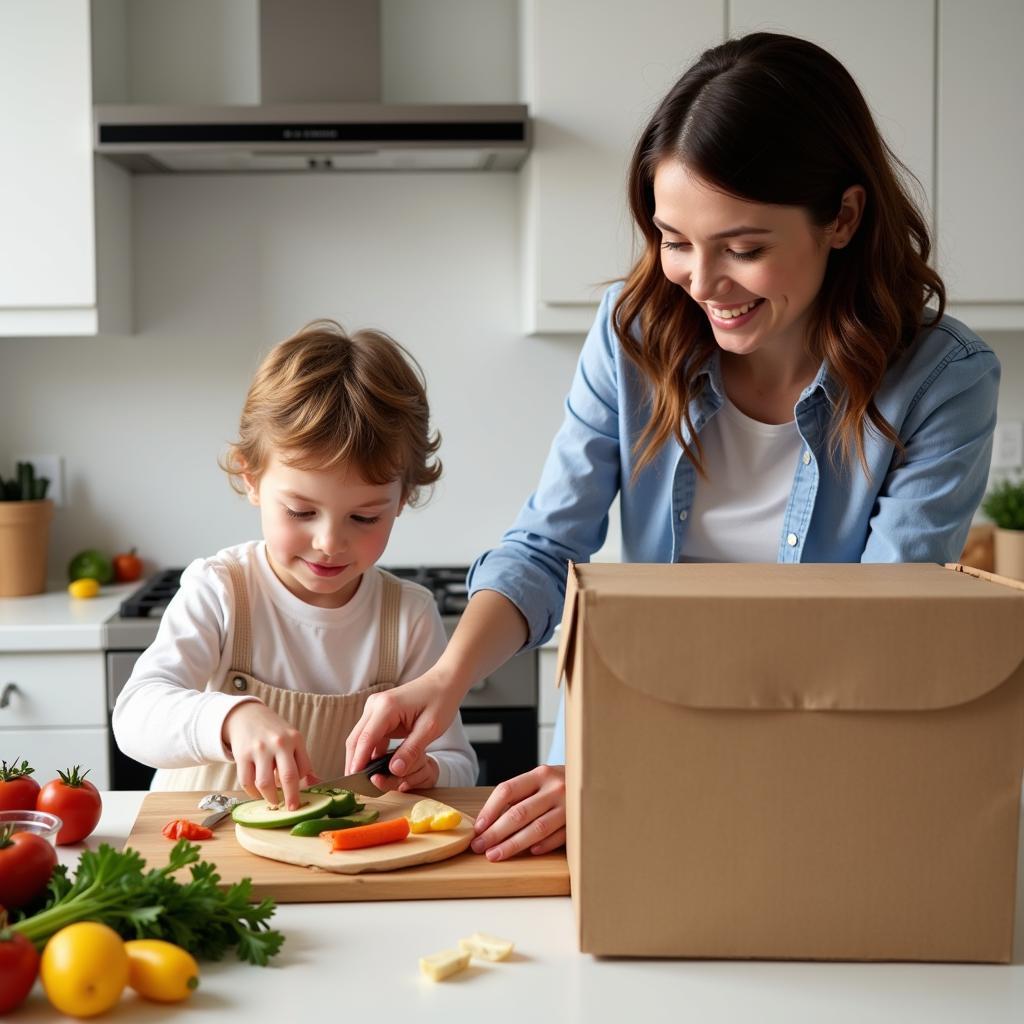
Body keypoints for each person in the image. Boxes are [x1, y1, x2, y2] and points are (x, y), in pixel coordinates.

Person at [344, 32, 1000, 859]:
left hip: (810, 780)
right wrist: (446, 679)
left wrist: (642, 776)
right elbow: (547, 549)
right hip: (611, 757)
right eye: (675, 240)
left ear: (842, 216)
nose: (701, 281)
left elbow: (866, 642)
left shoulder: (944, 381)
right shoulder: (633, 335)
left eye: (745, 247)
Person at [113, 321, 478, 810]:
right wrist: (231, 717)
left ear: (403, 498)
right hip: (196, 846)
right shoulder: (222, 589)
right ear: (252, 478)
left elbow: (457, 760)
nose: (329, 542)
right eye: (301, 512)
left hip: (326, 859)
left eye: (364, 516)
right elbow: (135, 717)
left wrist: (426, 769)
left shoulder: (407, 616)